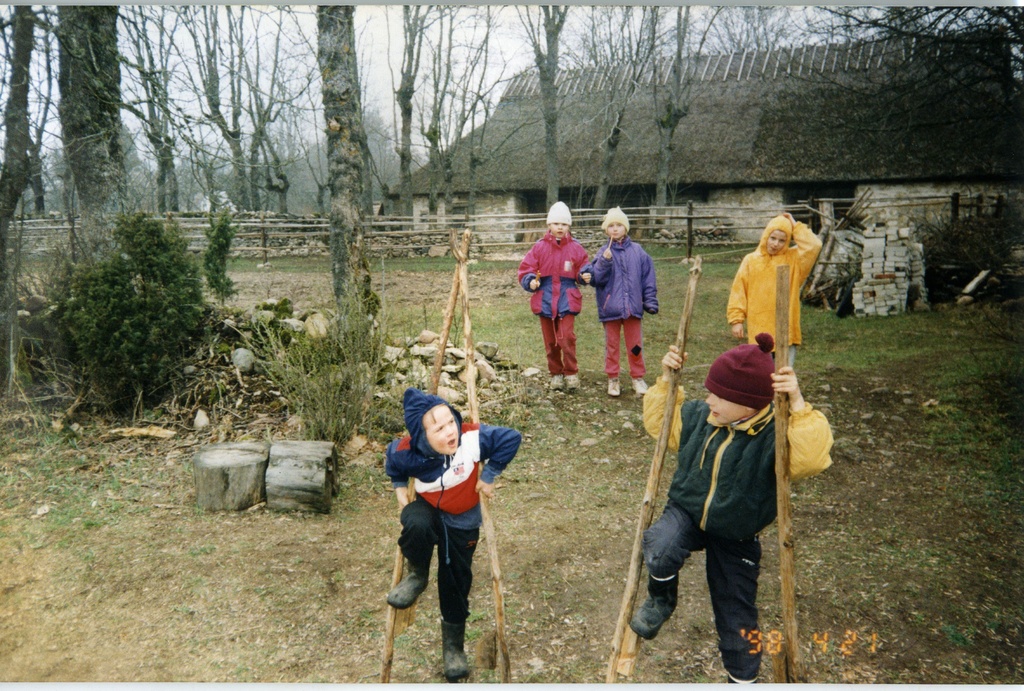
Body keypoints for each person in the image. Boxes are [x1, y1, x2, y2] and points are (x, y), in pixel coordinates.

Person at [631, 333, 833, 683]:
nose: (709, 399)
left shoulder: (775, 436)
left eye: (720, 396)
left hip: (737, 531)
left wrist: (797, 403)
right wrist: (666, 379)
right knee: (660, 545)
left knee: (736, 615)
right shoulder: (700, 417)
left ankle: (743, 679)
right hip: (688, 511)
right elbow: (660, 425)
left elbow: (810, 459)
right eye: (710, 391)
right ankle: (661, 599)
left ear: (750, 402)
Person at [384, 387, 522, 682]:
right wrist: (398, 486)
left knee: (456, 578)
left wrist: (489, 475)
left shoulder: (470, 439)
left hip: (463, 519)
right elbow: (392, 459)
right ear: (422, 438)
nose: (450, 431)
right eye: (438, 428)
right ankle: (417, 574)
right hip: (430, 510)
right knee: (415, 523)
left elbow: (511, 438)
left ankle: (453, 647)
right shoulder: (410, 452)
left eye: (451, 422)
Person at [727, 213, 822, 366]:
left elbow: (814, 245)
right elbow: (739, 291)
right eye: (773, 238)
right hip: (759, 329)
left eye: (782, 240)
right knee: (760, 375)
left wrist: (793, 223)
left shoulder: (794, 259)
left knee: (783, 375)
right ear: (766, 236)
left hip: (785, 330)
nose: (776, 244)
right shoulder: (751, 260)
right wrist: (736, 320)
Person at [584, 207, 658, 397]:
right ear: (606, 230)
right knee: (612, 345)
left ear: (626, 228)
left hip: (633, 308)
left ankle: (638, 377)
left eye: (619, 225)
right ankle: (613, 378)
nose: (615, 229)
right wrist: (604, 263)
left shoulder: (638, 252)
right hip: (611, 309)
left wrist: (649, 300)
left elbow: (648, 278)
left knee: (635, 345)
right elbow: (596, 279)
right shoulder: (603, 252)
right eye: (611, 226)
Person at [518, 201, 592, 392]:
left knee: (566, 337)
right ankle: (556, 373)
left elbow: (583, 266)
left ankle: (571, 372)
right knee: (550, 341)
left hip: (567, 296)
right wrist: (530, 281)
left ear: (569, 226)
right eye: (556, 223)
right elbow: (526, 269)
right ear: (549, 224)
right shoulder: (539, 247)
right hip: (545, 297)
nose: (560, 227)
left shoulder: (576, 248)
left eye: (564, 224)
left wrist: (584, 275)